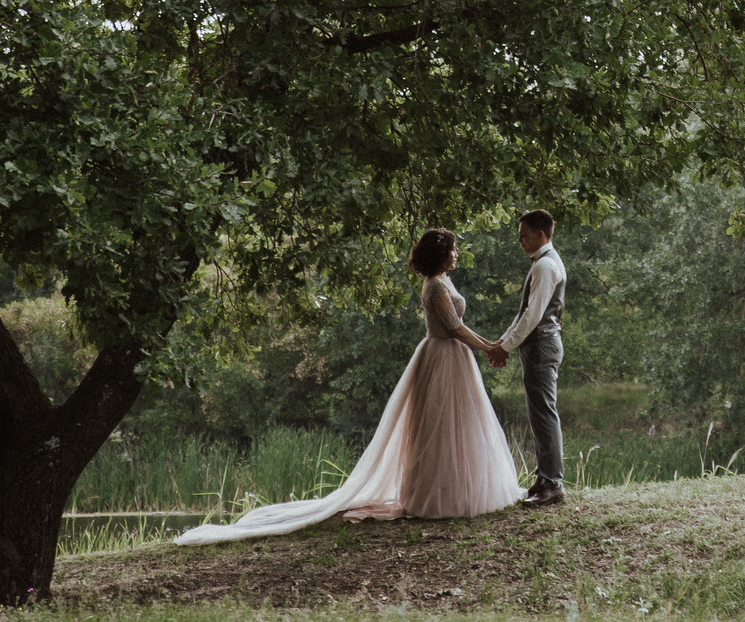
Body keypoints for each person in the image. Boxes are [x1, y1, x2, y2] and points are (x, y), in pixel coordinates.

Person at [173, 228, 524, 542]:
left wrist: (490, 345)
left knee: (457, 426)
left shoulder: (443, 280)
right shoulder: (433, 285)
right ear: (441, 253)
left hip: (455, 358)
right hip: (442, 357)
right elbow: (454, 327)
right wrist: (491, 347)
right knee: (436, 427)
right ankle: (435, 497)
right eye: (453, 248)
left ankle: (458, 491)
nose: (456, 253)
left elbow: (460, 326)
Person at [483, 208, 568, 505]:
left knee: (544, 414)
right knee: (539, 413)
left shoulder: (545, 266)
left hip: (542, 345)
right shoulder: (542, 263)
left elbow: (533, 316)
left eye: (523, 235)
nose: (519, 240)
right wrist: (503, 342)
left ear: (541, 235)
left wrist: (504, 348)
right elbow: (524, 314)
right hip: (538, 346)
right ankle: (545, 478)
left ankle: (553, 484)